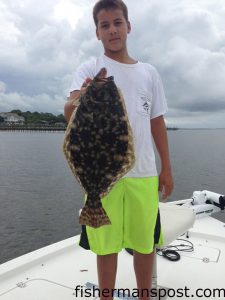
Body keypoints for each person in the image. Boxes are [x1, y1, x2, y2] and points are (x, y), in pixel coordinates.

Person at [64, 0, 173, 299]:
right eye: (104, 25)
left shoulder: (149, 72)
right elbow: (68, 113)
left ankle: (144, 295)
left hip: (145, 174)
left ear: (128, 26)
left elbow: (157, 122)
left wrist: (167, 169)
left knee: (144, 243)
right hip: (102, 174)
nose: (112, 30)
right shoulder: (90, 68)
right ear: (97, 32)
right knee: (107, 245)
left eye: (117, 22)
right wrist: (83, 95)